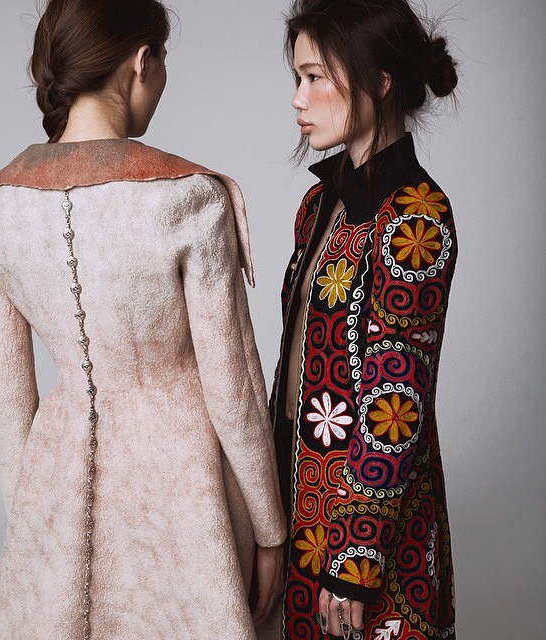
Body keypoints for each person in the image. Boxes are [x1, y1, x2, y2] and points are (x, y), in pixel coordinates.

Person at [0, 0, 286, 638]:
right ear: (140, 62)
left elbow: (9, 404)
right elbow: (234, 388)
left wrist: (37, 534)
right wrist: (271, 531)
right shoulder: (189, 198)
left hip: (54, 483)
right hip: (184, 491)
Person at [271, 0, 458, 638]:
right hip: (303, 503)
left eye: (316, 77)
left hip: (372, 535)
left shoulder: (415, 219)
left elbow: (396, 402)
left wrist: (356, 559)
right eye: (296, 78)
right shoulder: (317, 205)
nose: (298, 99)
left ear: (379, 80)